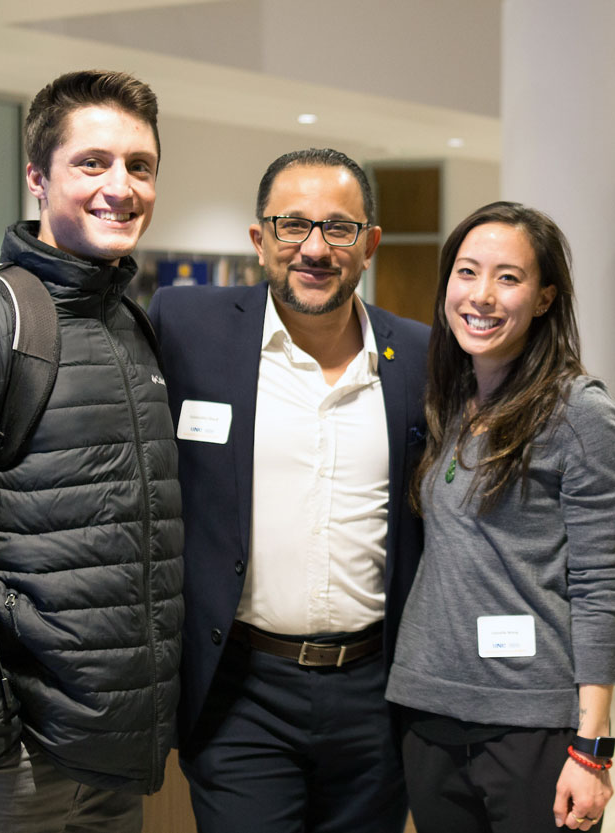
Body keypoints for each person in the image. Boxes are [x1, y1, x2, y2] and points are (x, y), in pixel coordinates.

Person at [149, 147, 429, 833]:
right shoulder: (188, 328)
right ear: (259, 239)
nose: (314, 247)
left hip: (375, 691)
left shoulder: (421, 356)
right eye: (291, 224)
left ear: (369, 245)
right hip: (242, 687)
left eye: (338, 228)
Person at [386, 201, 615, 833]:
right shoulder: (449, 398)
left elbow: (600, 585)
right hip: (427, 710)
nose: (481, 295)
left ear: (543, 298)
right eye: (467, 272)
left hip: (530, 722)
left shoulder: (577, 411)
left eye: (508, 278)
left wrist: (593, 747)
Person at [0, 70, 184, 833]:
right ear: (38, 177)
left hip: (115, 755)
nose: (122, 186)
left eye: (140, 166)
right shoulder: (7, 319)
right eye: (93, 162)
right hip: (23, 758)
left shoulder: (131, 325)